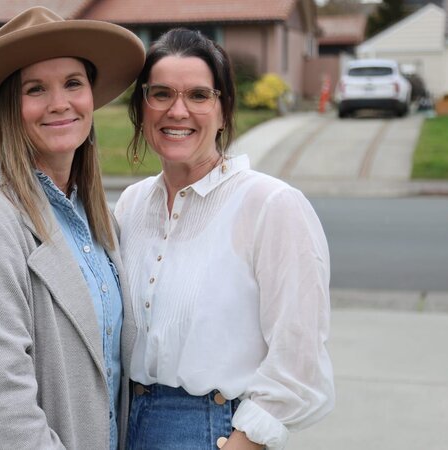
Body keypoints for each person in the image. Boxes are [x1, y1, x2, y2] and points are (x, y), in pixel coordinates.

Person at [0, 7, 145, 449]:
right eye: (36, 89)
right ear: (12, 106)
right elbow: (1, 404)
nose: (59, 103)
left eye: (73, 83)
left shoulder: (94, 216)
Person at [114, 29, 335, 450]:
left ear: (223, 107)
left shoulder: (271, 204)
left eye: (198, 95)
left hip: (211, 430)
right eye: (161, 94)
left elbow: (299, 354)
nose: (178, 111)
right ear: (142, 108)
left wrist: (245, 441)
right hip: (125, 422)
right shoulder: (131, 204)